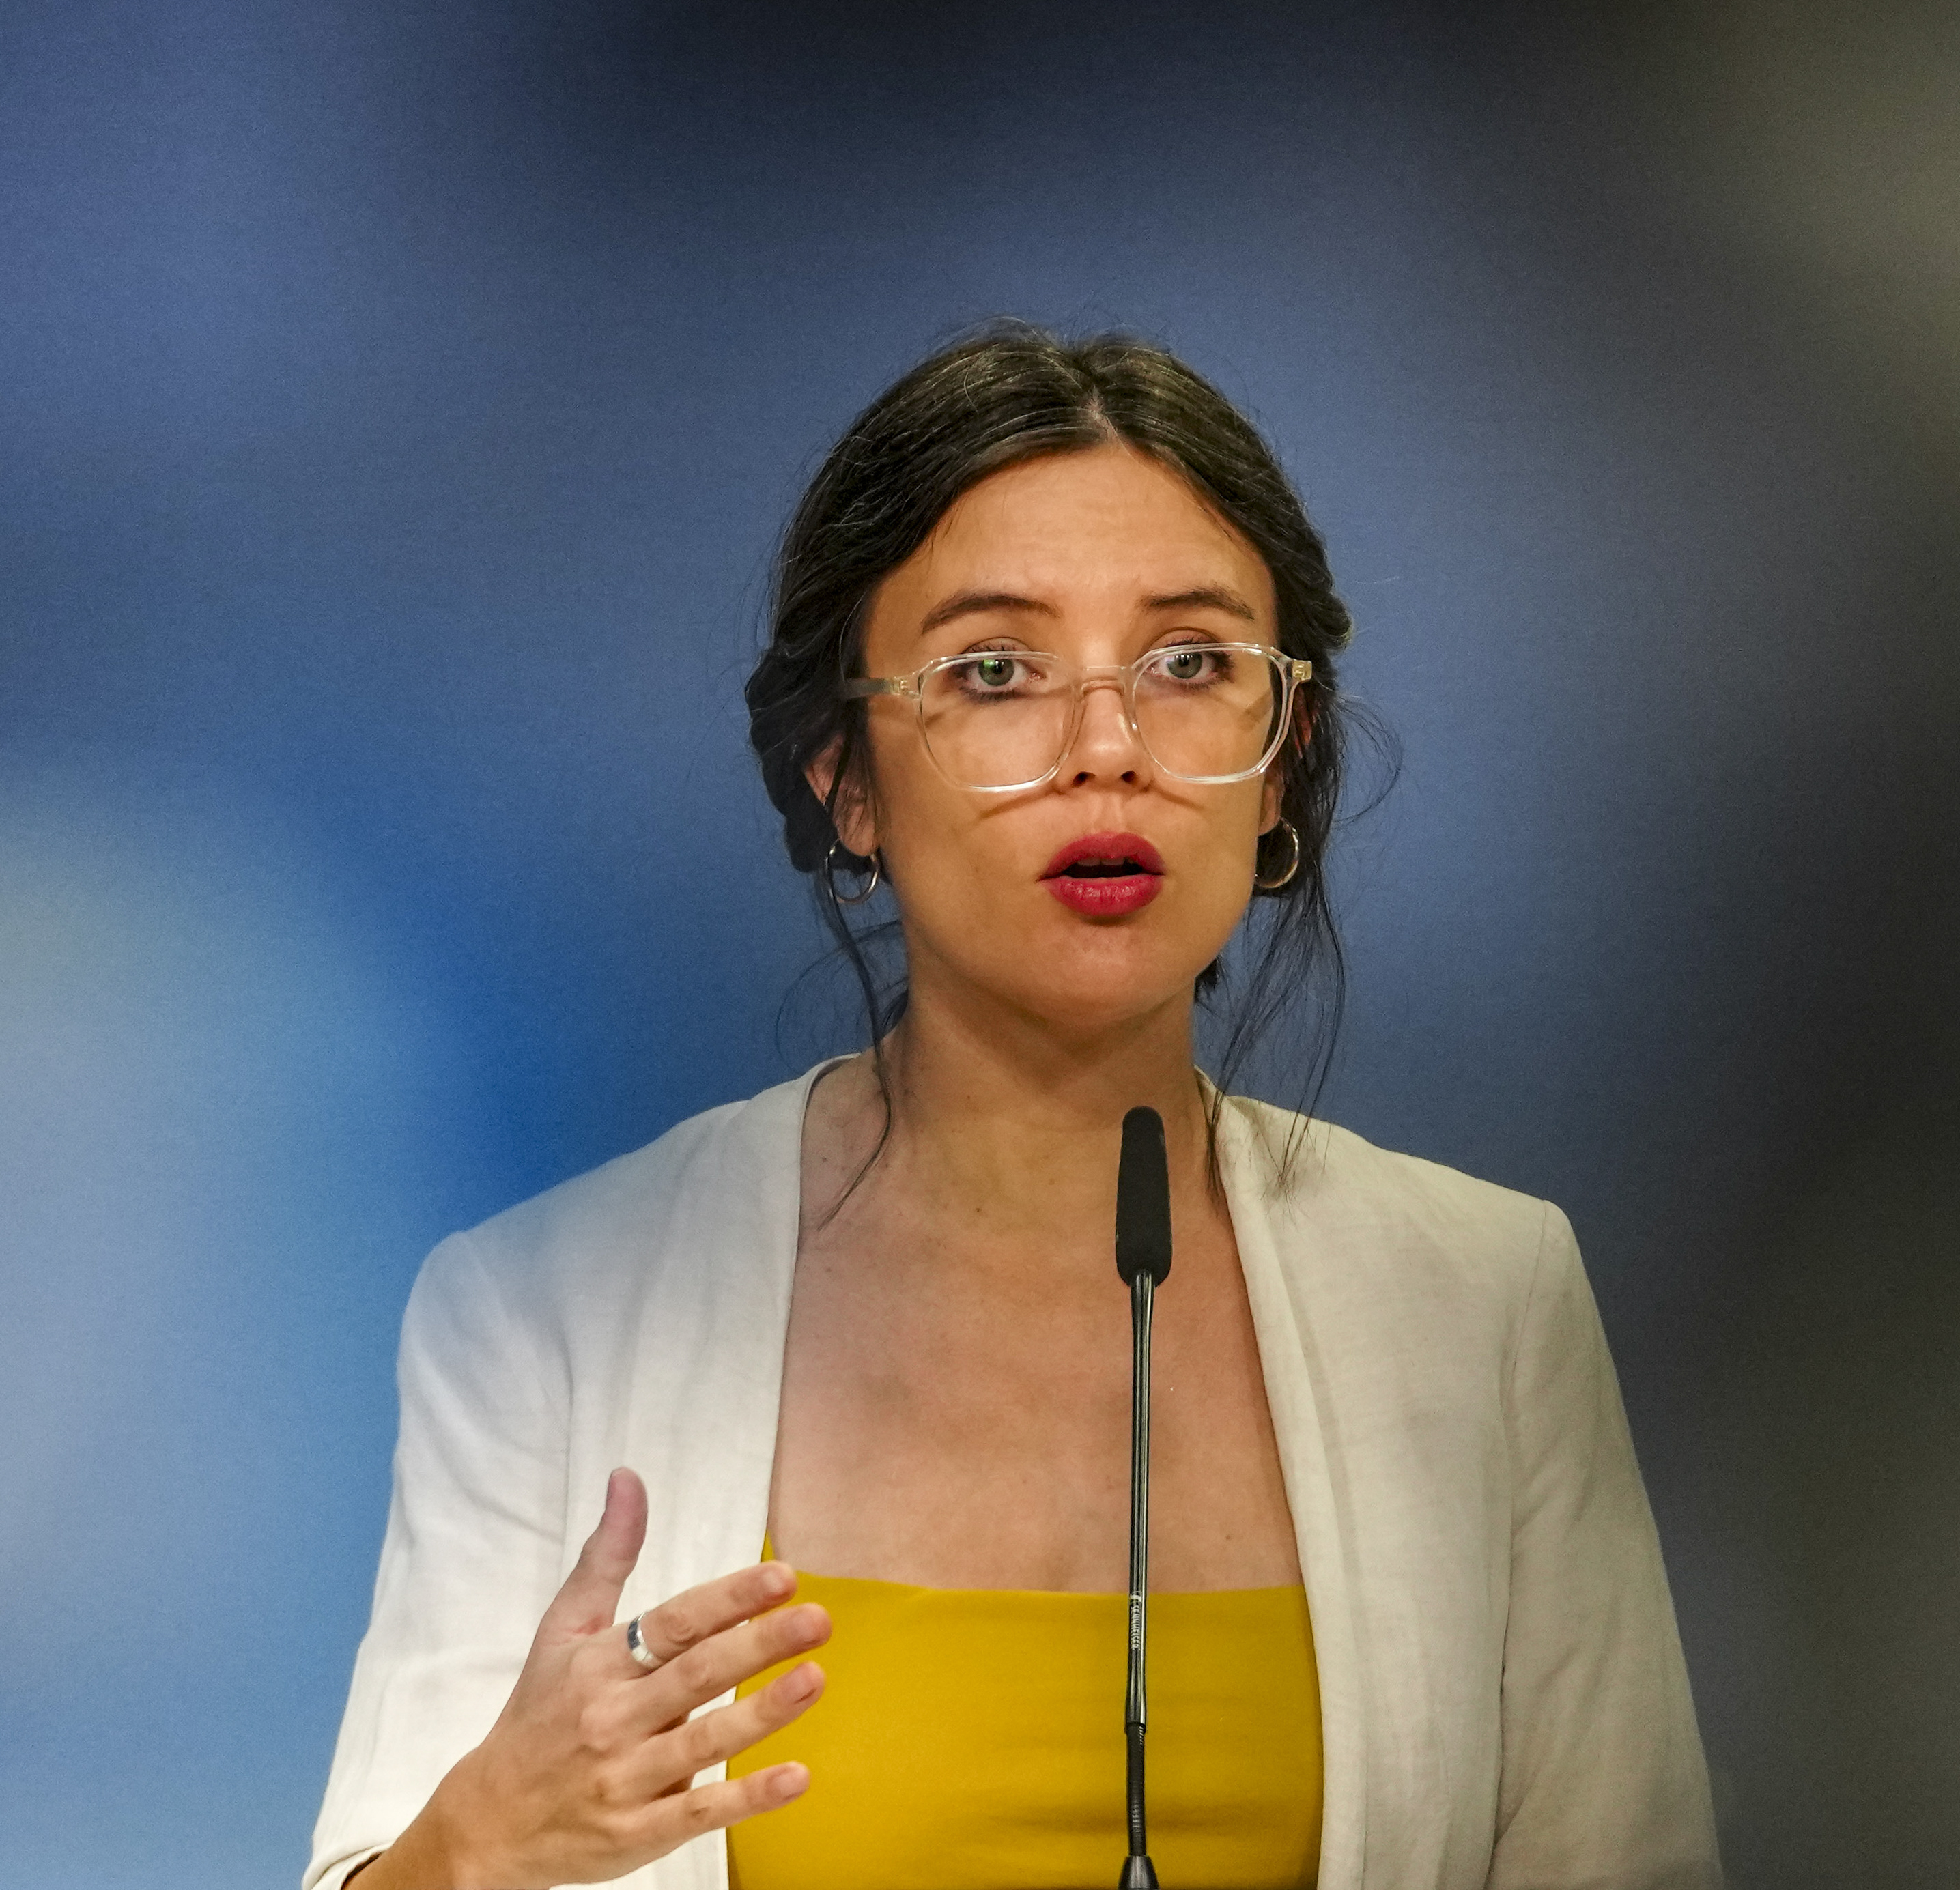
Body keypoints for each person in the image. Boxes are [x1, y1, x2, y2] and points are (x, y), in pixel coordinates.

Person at [306, 327, 1720, 1890]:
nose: (1104, 749)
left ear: (1279, 758)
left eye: (1189, 664)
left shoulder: (1483, 1303)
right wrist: (473, 1847)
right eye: (992, 671)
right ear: (842, 775)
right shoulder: (543, 1312)